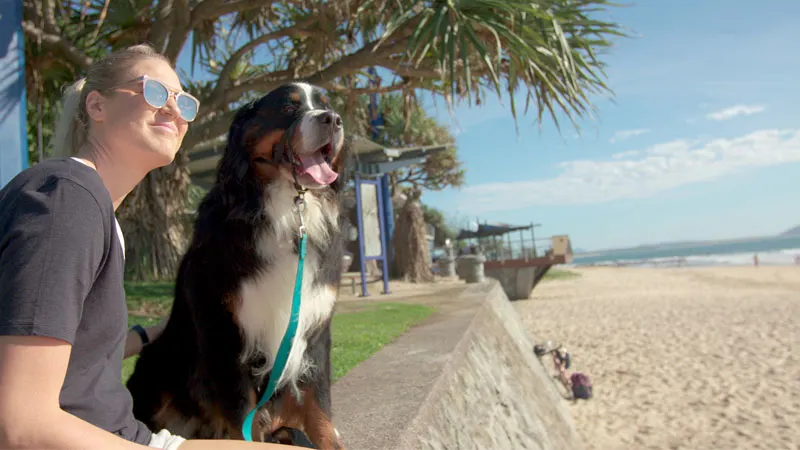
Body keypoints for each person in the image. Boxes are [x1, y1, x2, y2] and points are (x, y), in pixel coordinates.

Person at [0, 44, 297, 449]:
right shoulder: (67, 199)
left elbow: (72, 356)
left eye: (184, 103)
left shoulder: (93, 211)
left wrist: (156, 333)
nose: (174, 111)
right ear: (97, 106)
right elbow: (21, 425)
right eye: (155, 93)